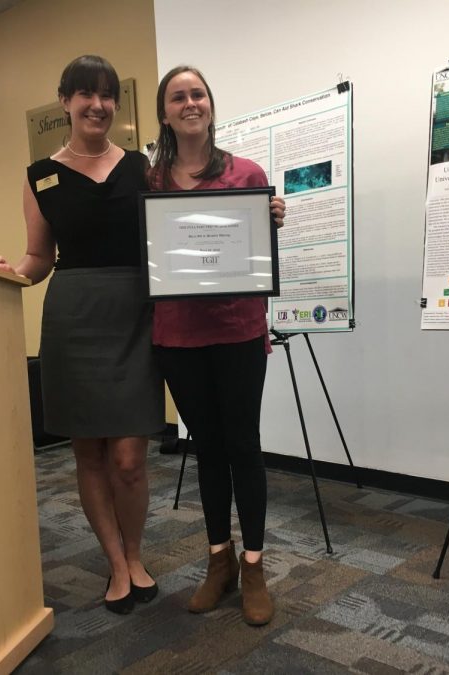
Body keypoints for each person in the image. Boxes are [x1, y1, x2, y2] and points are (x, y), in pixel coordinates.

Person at [0, 55, 164, 615]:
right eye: (85, 94)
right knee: (88, 451)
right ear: (64, 101)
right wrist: (12, 273)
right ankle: (117, 564)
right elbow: (39, 257)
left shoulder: (143, 165)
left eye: (107, 95)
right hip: (73, 317)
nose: (98, 105)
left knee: (131, 455)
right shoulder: (39, 174)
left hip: (135, 313)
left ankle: (136, 554)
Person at [149, 65, 285, 626]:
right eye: (178, 97)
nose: (189, 103)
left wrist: (270, 218)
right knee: (205, 449)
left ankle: (253, 566)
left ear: (210, 104)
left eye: (197, 94)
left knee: (243, 446)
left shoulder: (246, 172)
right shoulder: (150, 184)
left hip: (237, 331)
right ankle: (218, 561)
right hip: (177, 337)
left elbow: (255, 249)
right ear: (165, 112)